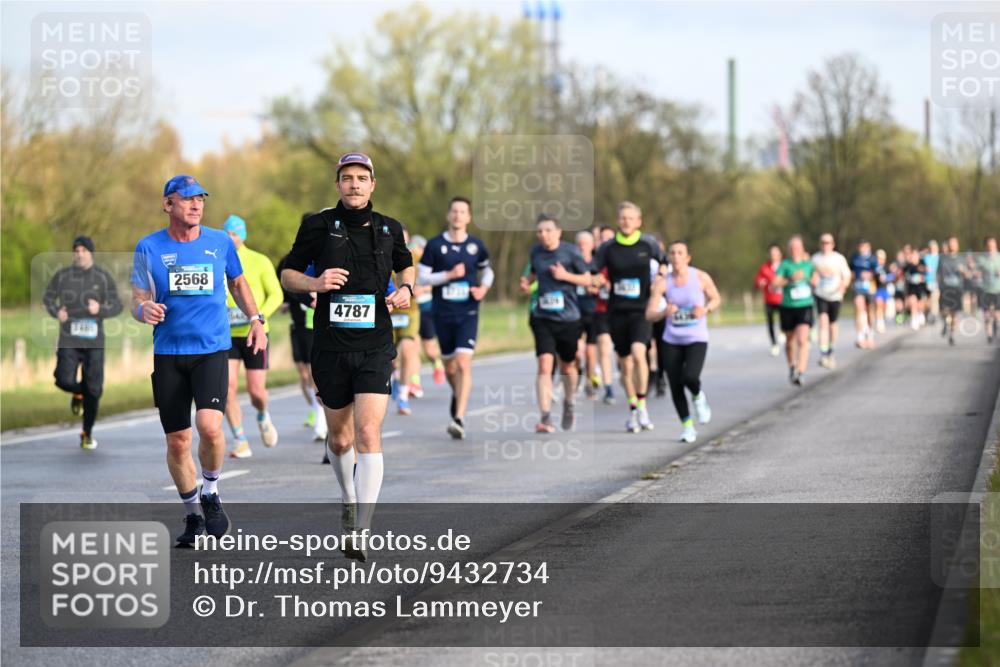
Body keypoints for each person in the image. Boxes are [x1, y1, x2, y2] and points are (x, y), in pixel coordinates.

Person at [281, 153, 414, 561]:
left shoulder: (390, 228)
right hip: (331, 346)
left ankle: (363, 527)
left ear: (373, 184)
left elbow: (405, 267)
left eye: (362, 178)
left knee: (368, 434)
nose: (354, 184)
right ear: (337, 184)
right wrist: (315, 281)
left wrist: (406, 290)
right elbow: (287, 273)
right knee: (340, 439)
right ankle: (348, 497)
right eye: (347, 178)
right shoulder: (317, 225)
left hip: (375, 344)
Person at [131, 174, 267, 546]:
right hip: (169, 353)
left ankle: (210, 491)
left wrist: (256, 320)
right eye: (187, 199)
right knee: (177, 442)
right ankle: (192, 515)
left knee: (209, 427)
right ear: (168, 204)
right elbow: (137, 298)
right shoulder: (149, 247)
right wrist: (143, 309)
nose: (196, 205)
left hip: (211, 350)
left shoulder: (220, 242)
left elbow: (238, 284)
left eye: (200, 199)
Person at [418, 196, 493, 439]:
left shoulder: (476, 245)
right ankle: (457, 392)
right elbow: (423, 278)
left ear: (469, 217)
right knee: (450, 368)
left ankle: (459, 418)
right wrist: (449, 275)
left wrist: (483, 288)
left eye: (463, 212)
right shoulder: (434, 245)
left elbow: (487, 270)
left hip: (468, 312)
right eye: (455, 211)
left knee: (463, 363)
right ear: (449, 216)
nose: (458, 215)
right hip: (442, 313)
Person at [44, 235, 123, 450]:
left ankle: (87, 432)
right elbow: (48, 298)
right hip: (69, 338)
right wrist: (56, 311)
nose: (79, 254)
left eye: (83, 251)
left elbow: (117, 305)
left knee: (94, 389)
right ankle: (79, 392)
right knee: (62, 379)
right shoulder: (63, 276)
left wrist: (101, 310)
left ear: (91, 253)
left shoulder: (102, 278)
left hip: (94, 343)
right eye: (76, 251)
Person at [592, 201, 662, 433]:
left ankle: (642, 403)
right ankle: (633, 408)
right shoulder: (608, 248)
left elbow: (665, 263)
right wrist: (598, 280)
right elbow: (595, 271)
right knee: (625, 363)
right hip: (616, 310)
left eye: (631, 218)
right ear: (618, 220)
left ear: (638, 221)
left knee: (639, 352)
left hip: (641, 310)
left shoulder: (648, 244)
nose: (626, 222)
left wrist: (661, 277)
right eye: (622, 218)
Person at [646, 241, 721, 443]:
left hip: (696, 338)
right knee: (675, 384)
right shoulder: (662, 283)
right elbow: (649, 314)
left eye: (680, 253)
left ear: (687, 258)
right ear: (669, 258)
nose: (676, 256)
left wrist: (704, 310)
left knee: (690, 377)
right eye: (672, 253)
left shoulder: (700, 277)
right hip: (671, 340)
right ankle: (687, 427)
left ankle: (698, 397)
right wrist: (664, 312)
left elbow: (716, 298)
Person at [521, 216, 592, 432]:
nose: (544, 235)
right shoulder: (536, 252)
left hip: (569, 318)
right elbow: (534, 273)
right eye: (540, 231)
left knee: (568, 365)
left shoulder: (571, 252)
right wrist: (527, 282)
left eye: (548, 231)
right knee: (544, 364)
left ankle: (569, 401)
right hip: (542, 316)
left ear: (559, 232)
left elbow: (588, 279)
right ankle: (545, 417)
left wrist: (565, 275)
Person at [222, 215, 283, 458]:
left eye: (234, 234)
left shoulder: (259, 260)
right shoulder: (218, 259)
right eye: (227, 233)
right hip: (227, 335)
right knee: (227, 388)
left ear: (243, 235)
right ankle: (240, 439)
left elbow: (276, 295)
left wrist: (258, 316)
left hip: (255, 333)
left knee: (256, 391)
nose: (230, 238)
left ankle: (262, 414)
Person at [277, 251, 326, 443]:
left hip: (318, 327)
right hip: (299, 325)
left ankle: (321, 422)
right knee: (304, 374)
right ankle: (316, 409)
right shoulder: (292, 260)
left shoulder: (329, 256)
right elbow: (285, 284)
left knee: (316, 375)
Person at [772, 235, 818, 386]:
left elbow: (816, 281)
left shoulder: (808, 265)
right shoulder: (785, 265)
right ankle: (792, 366)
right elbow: (774, 285)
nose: (794, 250)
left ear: (802, 248)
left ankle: (801, 372)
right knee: (789, 341)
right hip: (788, 307)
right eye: (791, 248)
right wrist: (790, 279)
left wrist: (811, 280)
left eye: (797, 247)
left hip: (805, 305)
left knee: (802, 339)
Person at [391, 229, 422, 416]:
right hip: (387, 312)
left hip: (409, 312)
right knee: (392, 358)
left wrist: (421, 289)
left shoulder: (415, 258)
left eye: (405, 238)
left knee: (408, 350)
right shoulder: (382, 254)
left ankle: (403, 395)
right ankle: (395, 375)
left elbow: (427, 277)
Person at [407, 235, 443, 394]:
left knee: (429, 349)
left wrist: (424, 289)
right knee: (412, 348)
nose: (415, 251)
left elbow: (437, 283)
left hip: (427, 308)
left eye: (419, 248)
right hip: (411, 310)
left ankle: (437, 363)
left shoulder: (431, 264)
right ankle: (415, 383)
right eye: (413, 247)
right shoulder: (408, 264)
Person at [811, 233, 852, 368]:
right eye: (823, 242)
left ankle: (831, 350)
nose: (825, 245)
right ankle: (823, 353)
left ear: (833, 244)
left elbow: (847, 275)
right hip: (820, 294)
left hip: (835, 295)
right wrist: (812, 283)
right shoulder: (815, 259)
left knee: (832, 325)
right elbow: (810, 276)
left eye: (828, 242)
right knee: (823, 322)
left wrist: (842, 287)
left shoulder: (839, 259)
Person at [574, 230, 601, 399]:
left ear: (592, 245)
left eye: (585, 244)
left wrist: (590, 286)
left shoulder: (597, 264)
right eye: (579, 244)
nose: (582, 247)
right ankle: (577, 374)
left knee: (591, 353)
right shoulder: (571, 263)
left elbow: (602, 285)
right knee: (577, 352)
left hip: (592, 312)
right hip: (574, 313)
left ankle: (589, 383)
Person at [592, 225, 617, 404]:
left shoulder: (623, 257)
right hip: (602, 310)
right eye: (603, 238)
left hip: (623, 310)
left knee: (627, 353)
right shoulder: (595, 261)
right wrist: (595, 285)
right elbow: (587, 280)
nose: (606, 241)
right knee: (603, 346)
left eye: (609, 237)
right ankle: (608, 387)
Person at [754, 243, 784, 357]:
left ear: (780, 255)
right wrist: (760, 283)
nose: (773, 256)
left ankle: (782, 332)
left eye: (775, 254)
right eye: (771, 254)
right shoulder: (764, 268)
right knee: (770, 322)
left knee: (783, 318)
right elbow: (758, 281)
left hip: (782, 299)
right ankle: (774, 344)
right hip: (769, 299)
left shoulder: (784, 266)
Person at [849, 240, 879, 349]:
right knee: (859, 307)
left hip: (870, 287)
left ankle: (870, 333)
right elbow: (850, 270)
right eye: (860, 247)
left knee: (869, 311)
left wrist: (869, 274)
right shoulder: (854, 257)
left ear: (868, 247)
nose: (862, 249)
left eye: (864, 247)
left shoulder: (873, 258)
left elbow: (878, 272)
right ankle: (860, 336)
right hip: (858, 286)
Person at [938, 236, 966, 346]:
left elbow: (968, 274)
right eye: (950, 243)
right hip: (945, 288)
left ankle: (951, 335)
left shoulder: (961, 259)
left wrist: (963, 271)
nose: (952, 245)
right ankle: (945, 323)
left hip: (957, 289)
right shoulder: (943, 258)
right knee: (944, 310)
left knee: (954, 313)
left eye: (954, 243)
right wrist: (938, 285)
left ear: (957, 245)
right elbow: (938, 273)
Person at [980, 236, 1000, 344]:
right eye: (988, 245)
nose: (991, 247)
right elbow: (977, 270)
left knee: (997, 314)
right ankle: (989, 335)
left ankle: (996, 326)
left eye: (993, 244)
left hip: (998, 289)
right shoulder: (982, 259)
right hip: (985, 289)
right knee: (987, 314)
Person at [902, 244, 928, 330]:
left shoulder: (922, 263)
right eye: (913, 255)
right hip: (911, 287)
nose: (914, 257)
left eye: (916, 255)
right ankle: (914, 319)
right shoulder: (908, 265)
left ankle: (920, 313)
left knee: (920, 304)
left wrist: (923, 273)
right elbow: (904, 274)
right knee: (913, 302)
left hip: (920, 287)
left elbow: (927, 271)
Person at [924, 240, 940, 325]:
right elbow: (923, 268)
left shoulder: (940, 257)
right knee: (928, 300)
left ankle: (934, 315)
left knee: (935, 298)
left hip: (936, 281)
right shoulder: (926, 258)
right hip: (927, 281)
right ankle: (926, 314)